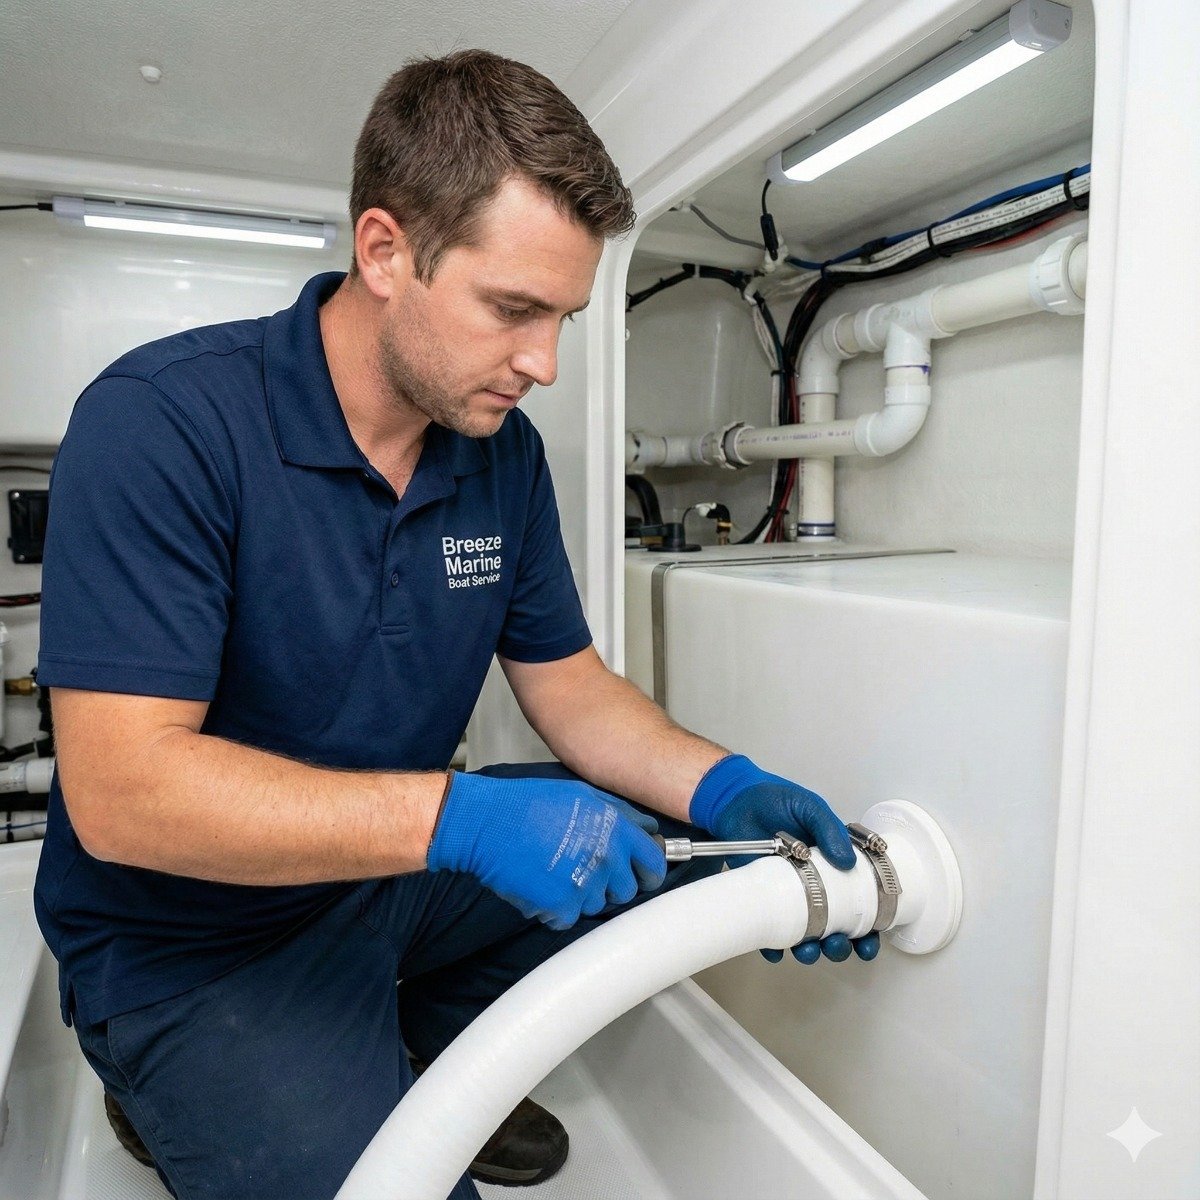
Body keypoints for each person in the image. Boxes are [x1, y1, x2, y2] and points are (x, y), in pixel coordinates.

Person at [33, 49, 877, 1200]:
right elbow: (124, 794)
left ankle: (427, 1044)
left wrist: (730, 798)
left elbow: (569, 686)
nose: (543, 363)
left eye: (564, 317)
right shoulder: (164, 426)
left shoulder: (498, 457)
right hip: (194, 949)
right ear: (385, 251)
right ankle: (159, 1086)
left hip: (377, 880)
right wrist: (454, 816)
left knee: (660, 857)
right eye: (514, 310)